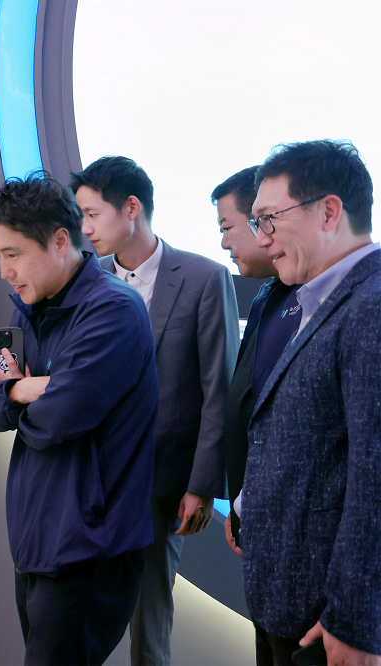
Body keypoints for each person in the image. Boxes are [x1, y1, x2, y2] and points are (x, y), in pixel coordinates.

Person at [0, 172, 156, 665]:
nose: (5, 271)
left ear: (59, 241)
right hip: (37, 537)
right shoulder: (30, 308)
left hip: (89, 546)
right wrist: (25, 388)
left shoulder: (113, 309)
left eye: (13, 254)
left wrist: (19, 391)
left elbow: (56, 420)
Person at [70, 156, 239, 666]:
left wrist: (202, 485)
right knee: (74, 618)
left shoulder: (204, 278)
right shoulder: (85, 280)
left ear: (131, 208)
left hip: (158, 483)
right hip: (85, 479)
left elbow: (218, 390)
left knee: (149, 623)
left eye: (93, 214)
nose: (85, 228)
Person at [243, 139, 380, 666]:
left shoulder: (371, 306)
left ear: (328, 211)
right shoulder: (314, 301)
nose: (261, 238)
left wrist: (356, 619)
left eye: (269, 219)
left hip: (331, 620)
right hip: (291, 603)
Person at [211, 166, 301, 558]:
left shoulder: (319, 300)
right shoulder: (268, 295)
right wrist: (240, 504)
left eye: (227, 228)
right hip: (256, 513)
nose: (223, 243)